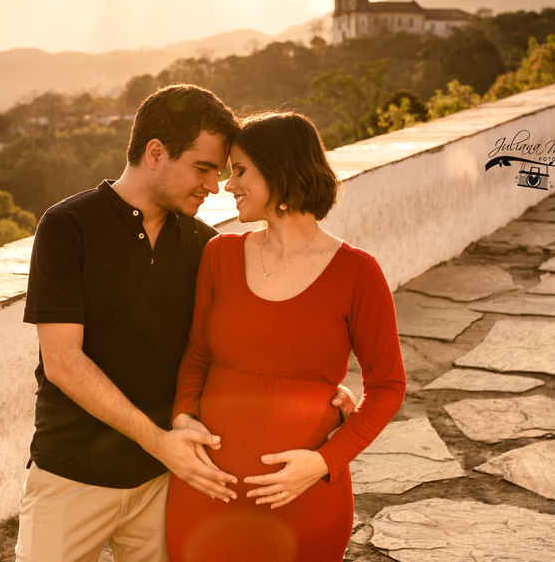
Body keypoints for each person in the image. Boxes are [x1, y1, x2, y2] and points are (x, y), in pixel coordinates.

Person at [15, 84, 244, 562]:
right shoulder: (67, 226)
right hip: (70, 475)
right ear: (155, 153)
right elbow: (62, 362)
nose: (214, 186)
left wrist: (318, 392)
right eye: (203, 168)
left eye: (220, 173)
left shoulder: (206, 243)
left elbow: (222, 349)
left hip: (163, 482)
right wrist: (159, 442)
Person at [165, 111, 406, 562]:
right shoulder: (220, 253)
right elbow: (196, 353)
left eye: (240, 170)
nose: (229, 184)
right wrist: (182, 417)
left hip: (302, 500)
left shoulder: (358, 272)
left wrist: (323, 462)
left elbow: (388, 385)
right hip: (205, 490)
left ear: (279, 171)